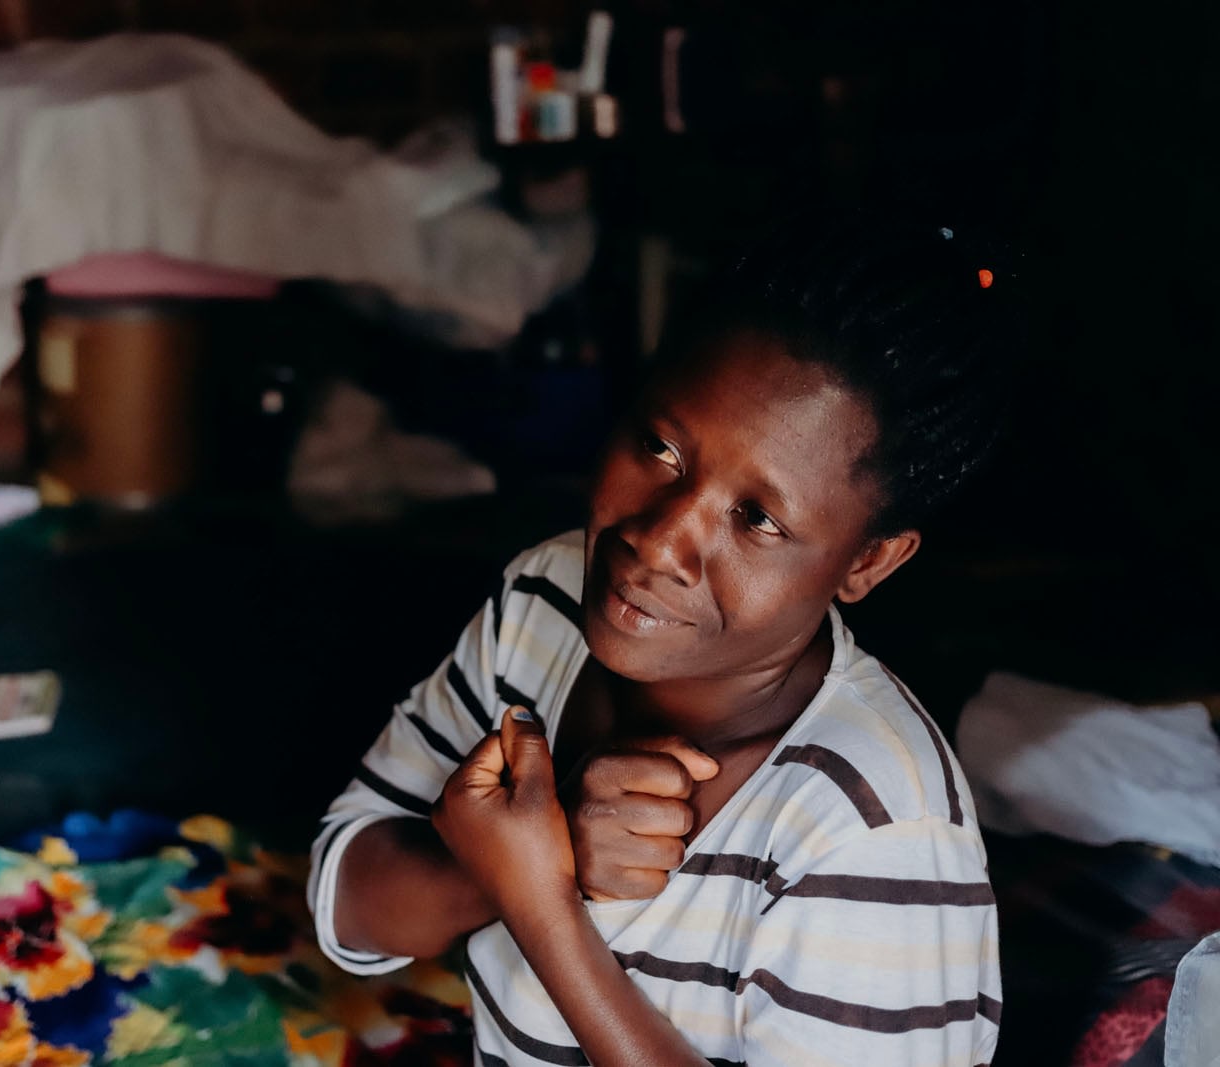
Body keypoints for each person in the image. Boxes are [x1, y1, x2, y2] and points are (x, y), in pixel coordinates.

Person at [308, 215, 1011, 1066]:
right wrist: (502, 857)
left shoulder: (874, 831)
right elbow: (345, 899)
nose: (659, 537)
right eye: (661, 446)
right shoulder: (545, 601)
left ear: (866, 560)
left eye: (756, 518)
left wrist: (543, 898)